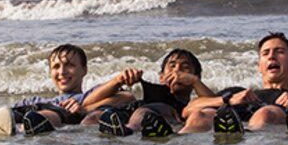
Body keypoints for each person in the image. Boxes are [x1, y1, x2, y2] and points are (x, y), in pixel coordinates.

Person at [180, 33, 288, 133]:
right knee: (200, 114)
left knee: (265, 113)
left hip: (267, 124)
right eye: (265, 53)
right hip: (236, 117)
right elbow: (188, 110)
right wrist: (228, 99)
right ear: (259, 66)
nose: (271, 57)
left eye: (279, 52)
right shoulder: (237, 92)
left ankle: (249, 140)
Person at [0, 44, 104, 136]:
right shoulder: (35, 101)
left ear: (84, 70)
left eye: (69, 65)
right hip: (25, 119)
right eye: (56, 67)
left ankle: (21, 130)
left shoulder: (89, 96)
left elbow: (122, 97)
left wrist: (84, 109)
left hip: (45, 121)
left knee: (36, 117)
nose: (62, 72)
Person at [86, 48, 217, 138]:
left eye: (185, 68)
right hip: (126, 113)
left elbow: (214, 104)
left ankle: (127, 130)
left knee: (144, 112)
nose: (177, 71)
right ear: (161, 77)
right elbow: (89, 102)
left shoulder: (188, 105)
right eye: (172, 66)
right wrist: (118, 81)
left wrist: (194, 82)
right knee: (96, 115)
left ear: (197, 76)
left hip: (150, 116)